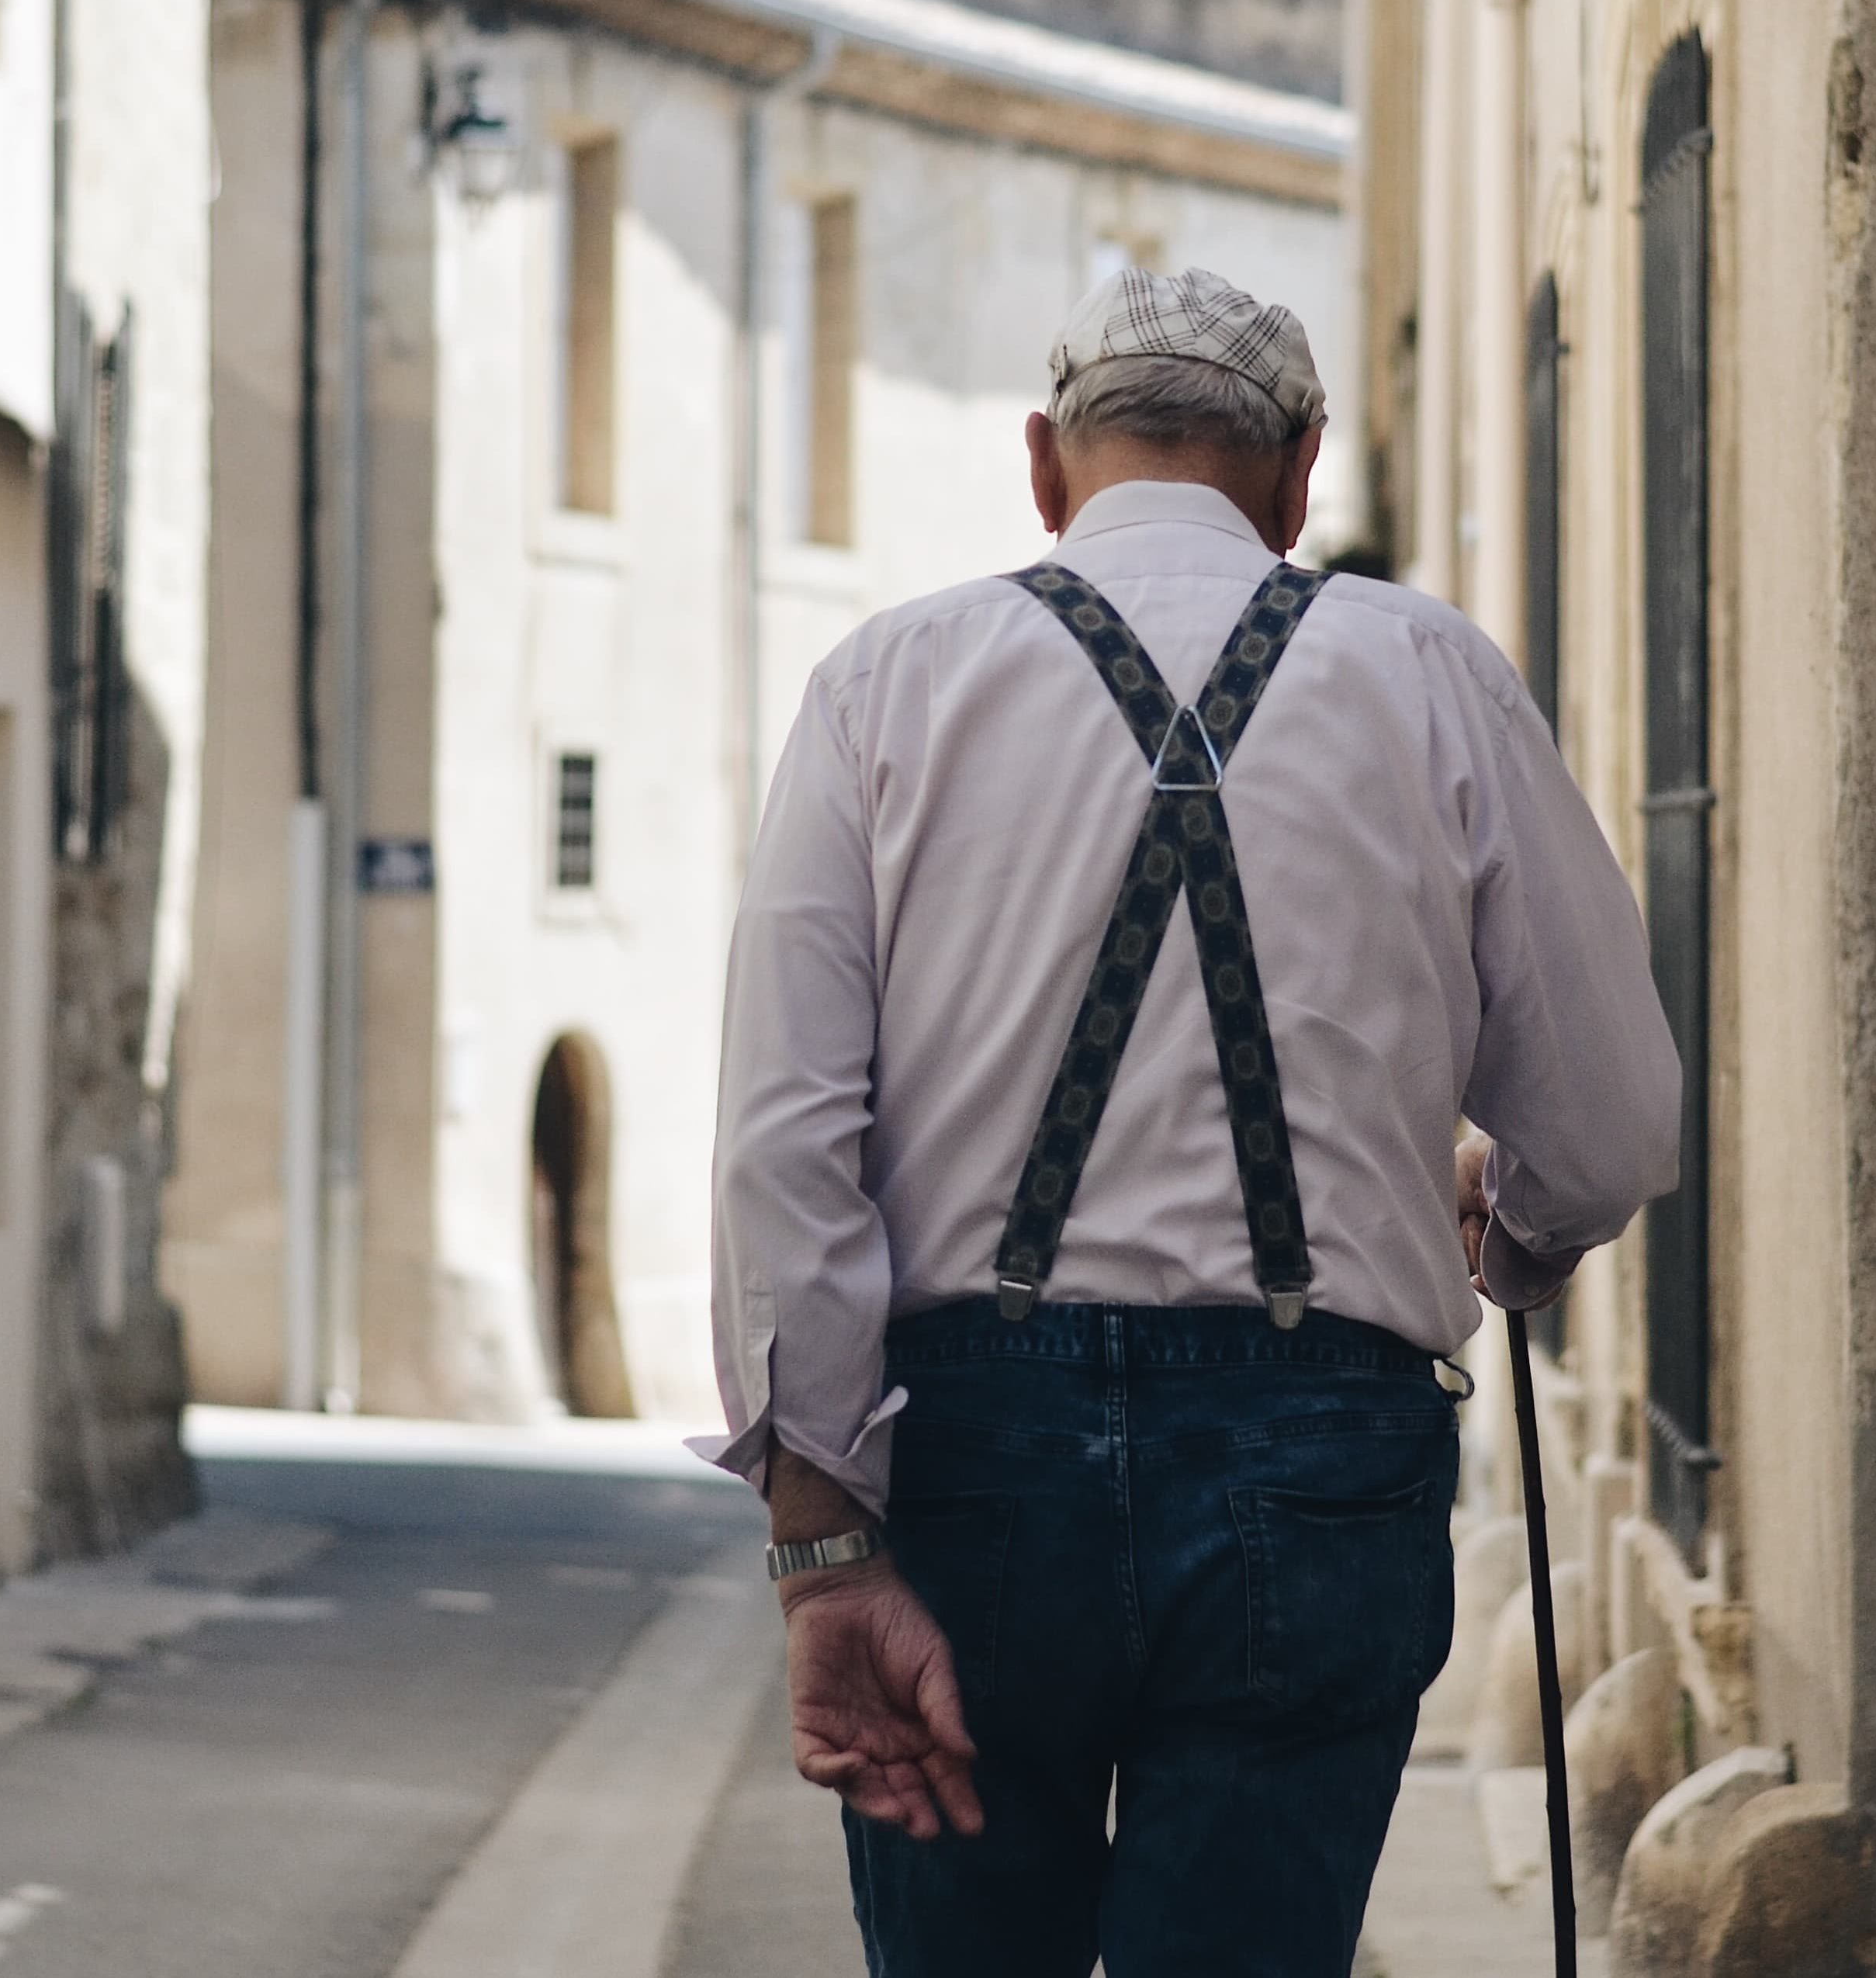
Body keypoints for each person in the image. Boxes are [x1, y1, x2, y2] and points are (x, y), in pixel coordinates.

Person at [697, 266, 1679, 1978]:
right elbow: (1609, 1122)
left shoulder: (886, 685)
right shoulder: (1435, 672)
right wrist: (1509, 1233)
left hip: (971, 1462)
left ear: (1042, 465)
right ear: (1300, 475)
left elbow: (785, 1144)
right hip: (1316, 1465)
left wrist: (824, 1540)